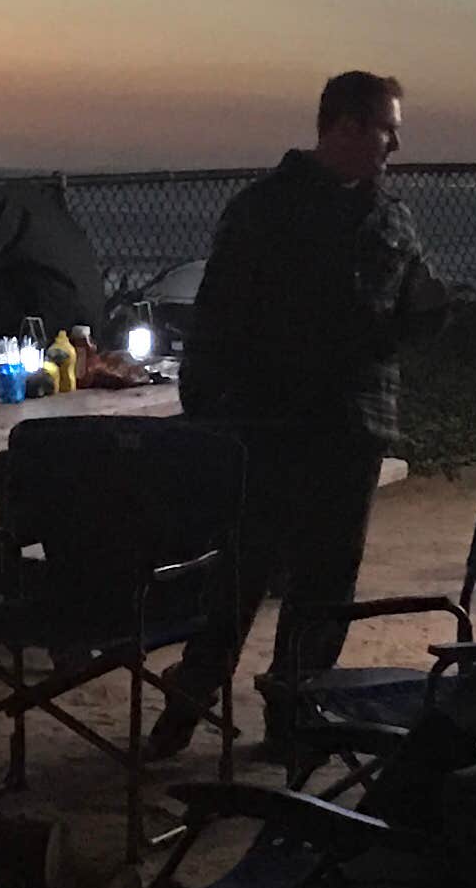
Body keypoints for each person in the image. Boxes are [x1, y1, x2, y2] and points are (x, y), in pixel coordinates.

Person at [147, 70, 454, 759]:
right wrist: (212, 411)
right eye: (386, 129)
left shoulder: (390, 216)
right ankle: (191, 700)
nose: (395, 145)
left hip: (350, 425)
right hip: (268, 422)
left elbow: (404, 315)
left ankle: (294, 713)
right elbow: (218, 317)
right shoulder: (265, 210)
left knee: (324, 580)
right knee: (241, 571)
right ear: (345, 126)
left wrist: (428, 313)